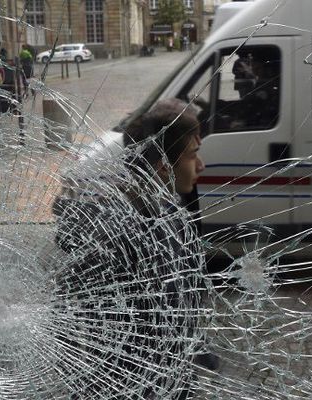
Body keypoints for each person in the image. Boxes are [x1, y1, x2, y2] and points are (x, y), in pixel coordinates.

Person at [53, 99, 213, 399]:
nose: (201, 165)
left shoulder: (166, 213)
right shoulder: (128, 225)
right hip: (127, 383)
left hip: (161, 375)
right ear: (163, 167)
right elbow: (76, 314)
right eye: (193, 155)